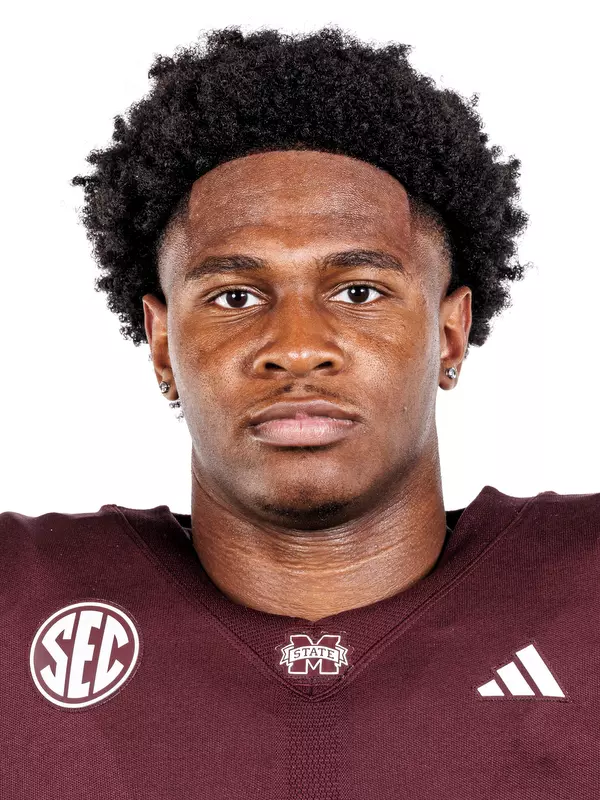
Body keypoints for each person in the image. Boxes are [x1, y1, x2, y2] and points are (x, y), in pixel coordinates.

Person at [2, 26, 598, 799]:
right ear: (161, 345)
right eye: (236, 296)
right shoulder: (21, 594)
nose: (297, 348)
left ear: (449, 333)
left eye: (358, 292)